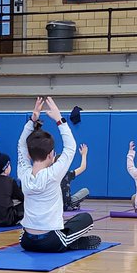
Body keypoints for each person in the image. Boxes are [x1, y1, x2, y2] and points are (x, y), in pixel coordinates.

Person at [19, 97, 100, 253]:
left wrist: (32, 120)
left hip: (26, 241)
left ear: (29, 155)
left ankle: (67, 239)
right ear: (51, 155)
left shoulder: (23, 172)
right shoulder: (54, 173)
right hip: (50, 241)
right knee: (86, 219)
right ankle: (69, 242)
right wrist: (59, 119)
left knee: (41, 229)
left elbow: (21, 145)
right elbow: (71, 147)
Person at [62, 143, 90, 211]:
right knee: (85, 191)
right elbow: (83, 167)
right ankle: (73, 205)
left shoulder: (51, 174)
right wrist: (84, 155)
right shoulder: (67, 174)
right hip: (67, 204)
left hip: (53, 204)